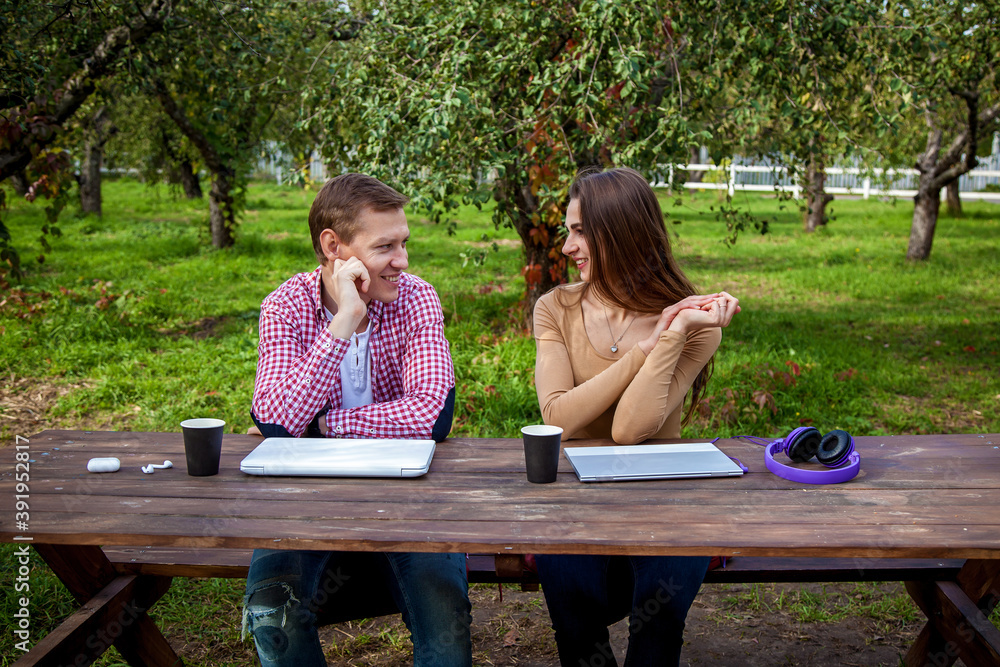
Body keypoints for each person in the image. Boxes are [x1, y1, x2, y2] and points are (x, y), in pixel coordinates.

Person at [242, 173, 470, 667]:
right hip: (300, 505)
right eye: (385, 246)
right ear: (333, 246)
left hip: (409, 500)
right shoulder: (286, 305)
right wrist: (344, 319)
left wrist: (325, 424)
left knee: (443, 615)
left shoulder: (416, 298)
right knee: (270, 608)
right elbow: (278, 422)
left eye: (404, 243)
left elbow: (433, 414)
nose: (403, 261)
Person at [531, 166, 740, 666]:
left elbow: (630, 430)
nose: (566, 246)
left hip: (666, 495)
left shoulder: (694, 324)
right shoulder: (554, 308)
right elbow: (558, 414)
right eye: (567, 230)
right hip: (575, 496)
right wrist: (645, 348)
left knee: (659, 624)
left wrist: (673, 331)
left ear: (621, 233)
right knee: (576, 617)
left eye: (580, 231)